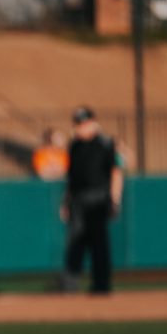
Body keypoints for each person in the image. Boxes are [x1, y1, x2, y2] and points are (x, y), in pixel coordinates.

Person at [60, 107, 123, 295]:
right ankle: (70, 282)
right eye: (78, 123)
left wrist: (115, 199)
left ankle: (101, 284)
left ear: (93, 122)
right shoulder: (75, 145)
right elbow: (71, 177)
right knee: (75, 242)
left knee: (98, 243)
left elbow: (115, 172)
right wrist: (66, 201)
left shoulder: (105, 143)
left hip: (98, 199)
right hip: (78, 199)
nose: (80, 127)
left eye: (83, 123)